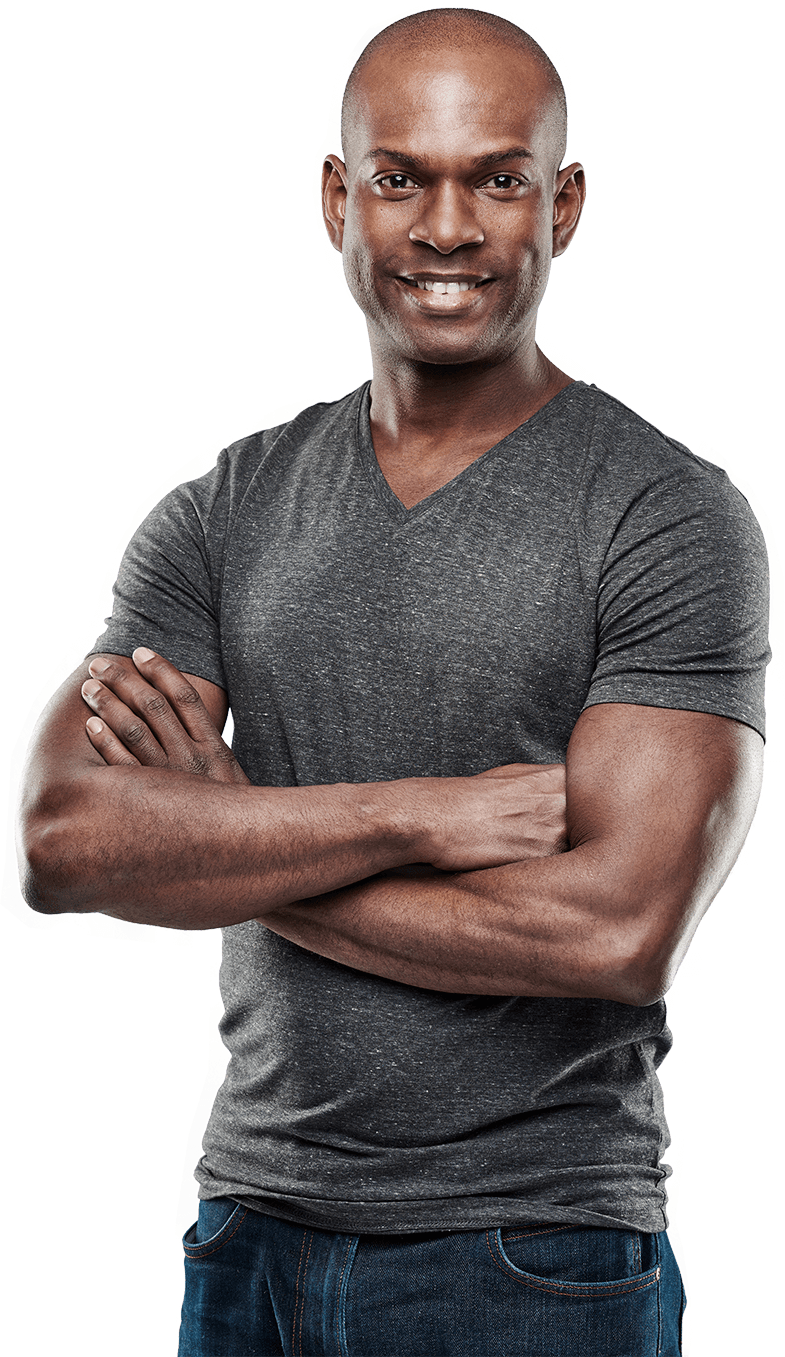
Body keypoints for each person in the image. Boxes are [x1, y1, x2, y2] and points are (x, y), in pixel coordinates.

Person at [12, 9, 772, 1355]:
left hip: (533, 1251)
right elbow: (60, 847)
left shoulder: (665, 515)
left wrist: (226, 839)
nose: (447, 228)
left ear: (564, 205)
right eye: (400, 177)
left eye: (499, 179)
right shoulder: (222, 505)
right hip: (247, 1231)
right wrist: (427, 814)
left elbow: (614, 934)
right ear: (335, 198)